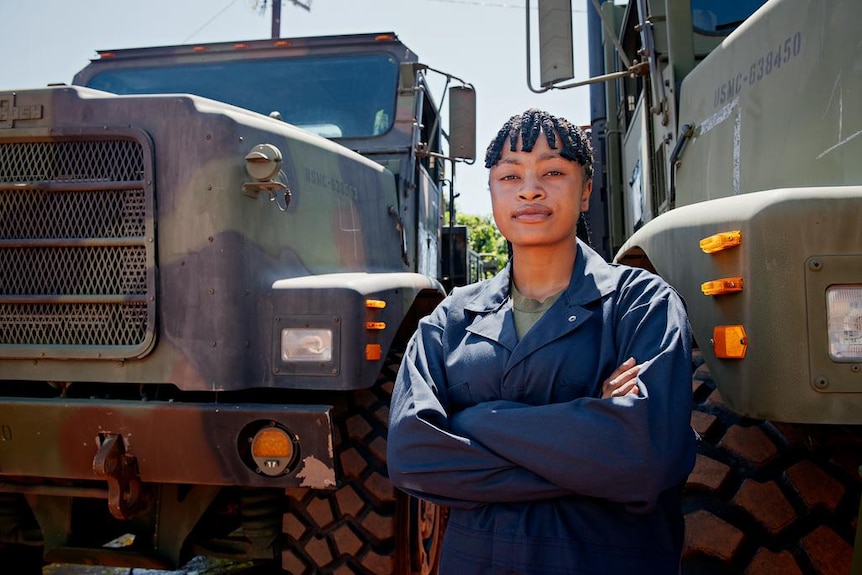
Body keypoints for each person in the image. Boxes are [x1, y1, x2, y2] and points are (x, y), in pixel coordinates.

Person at [387, 109, 697, 574]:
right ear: (491, 192)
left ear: (586, 189)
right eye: (510, 176)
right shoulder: (448, 321)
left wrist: (472, 421)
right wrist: (591, 442)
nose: (530, 189)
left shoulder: (642, 304)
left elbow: (645, 459)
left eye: (553, 171)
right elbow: (414, 456)